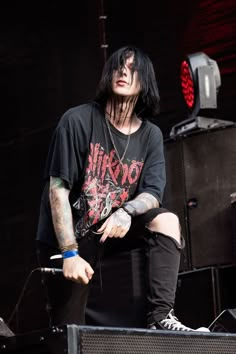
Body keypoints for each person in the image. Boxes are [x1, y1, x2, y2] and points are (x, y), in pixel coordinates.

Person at [36, 45, 209, 332]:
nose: (123, 73)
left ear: (145, 81)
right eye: (118, 67)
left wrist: (126, 212)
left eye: (132, 69)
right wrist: (68, 252)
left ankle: (161, 318)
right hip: (66, 239)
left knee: (166, 220)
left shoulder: (150, 134)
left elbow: (152, 193)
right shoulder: (76, 121)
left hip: (110, 233)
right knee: (70, 333)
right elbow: (57, 190)